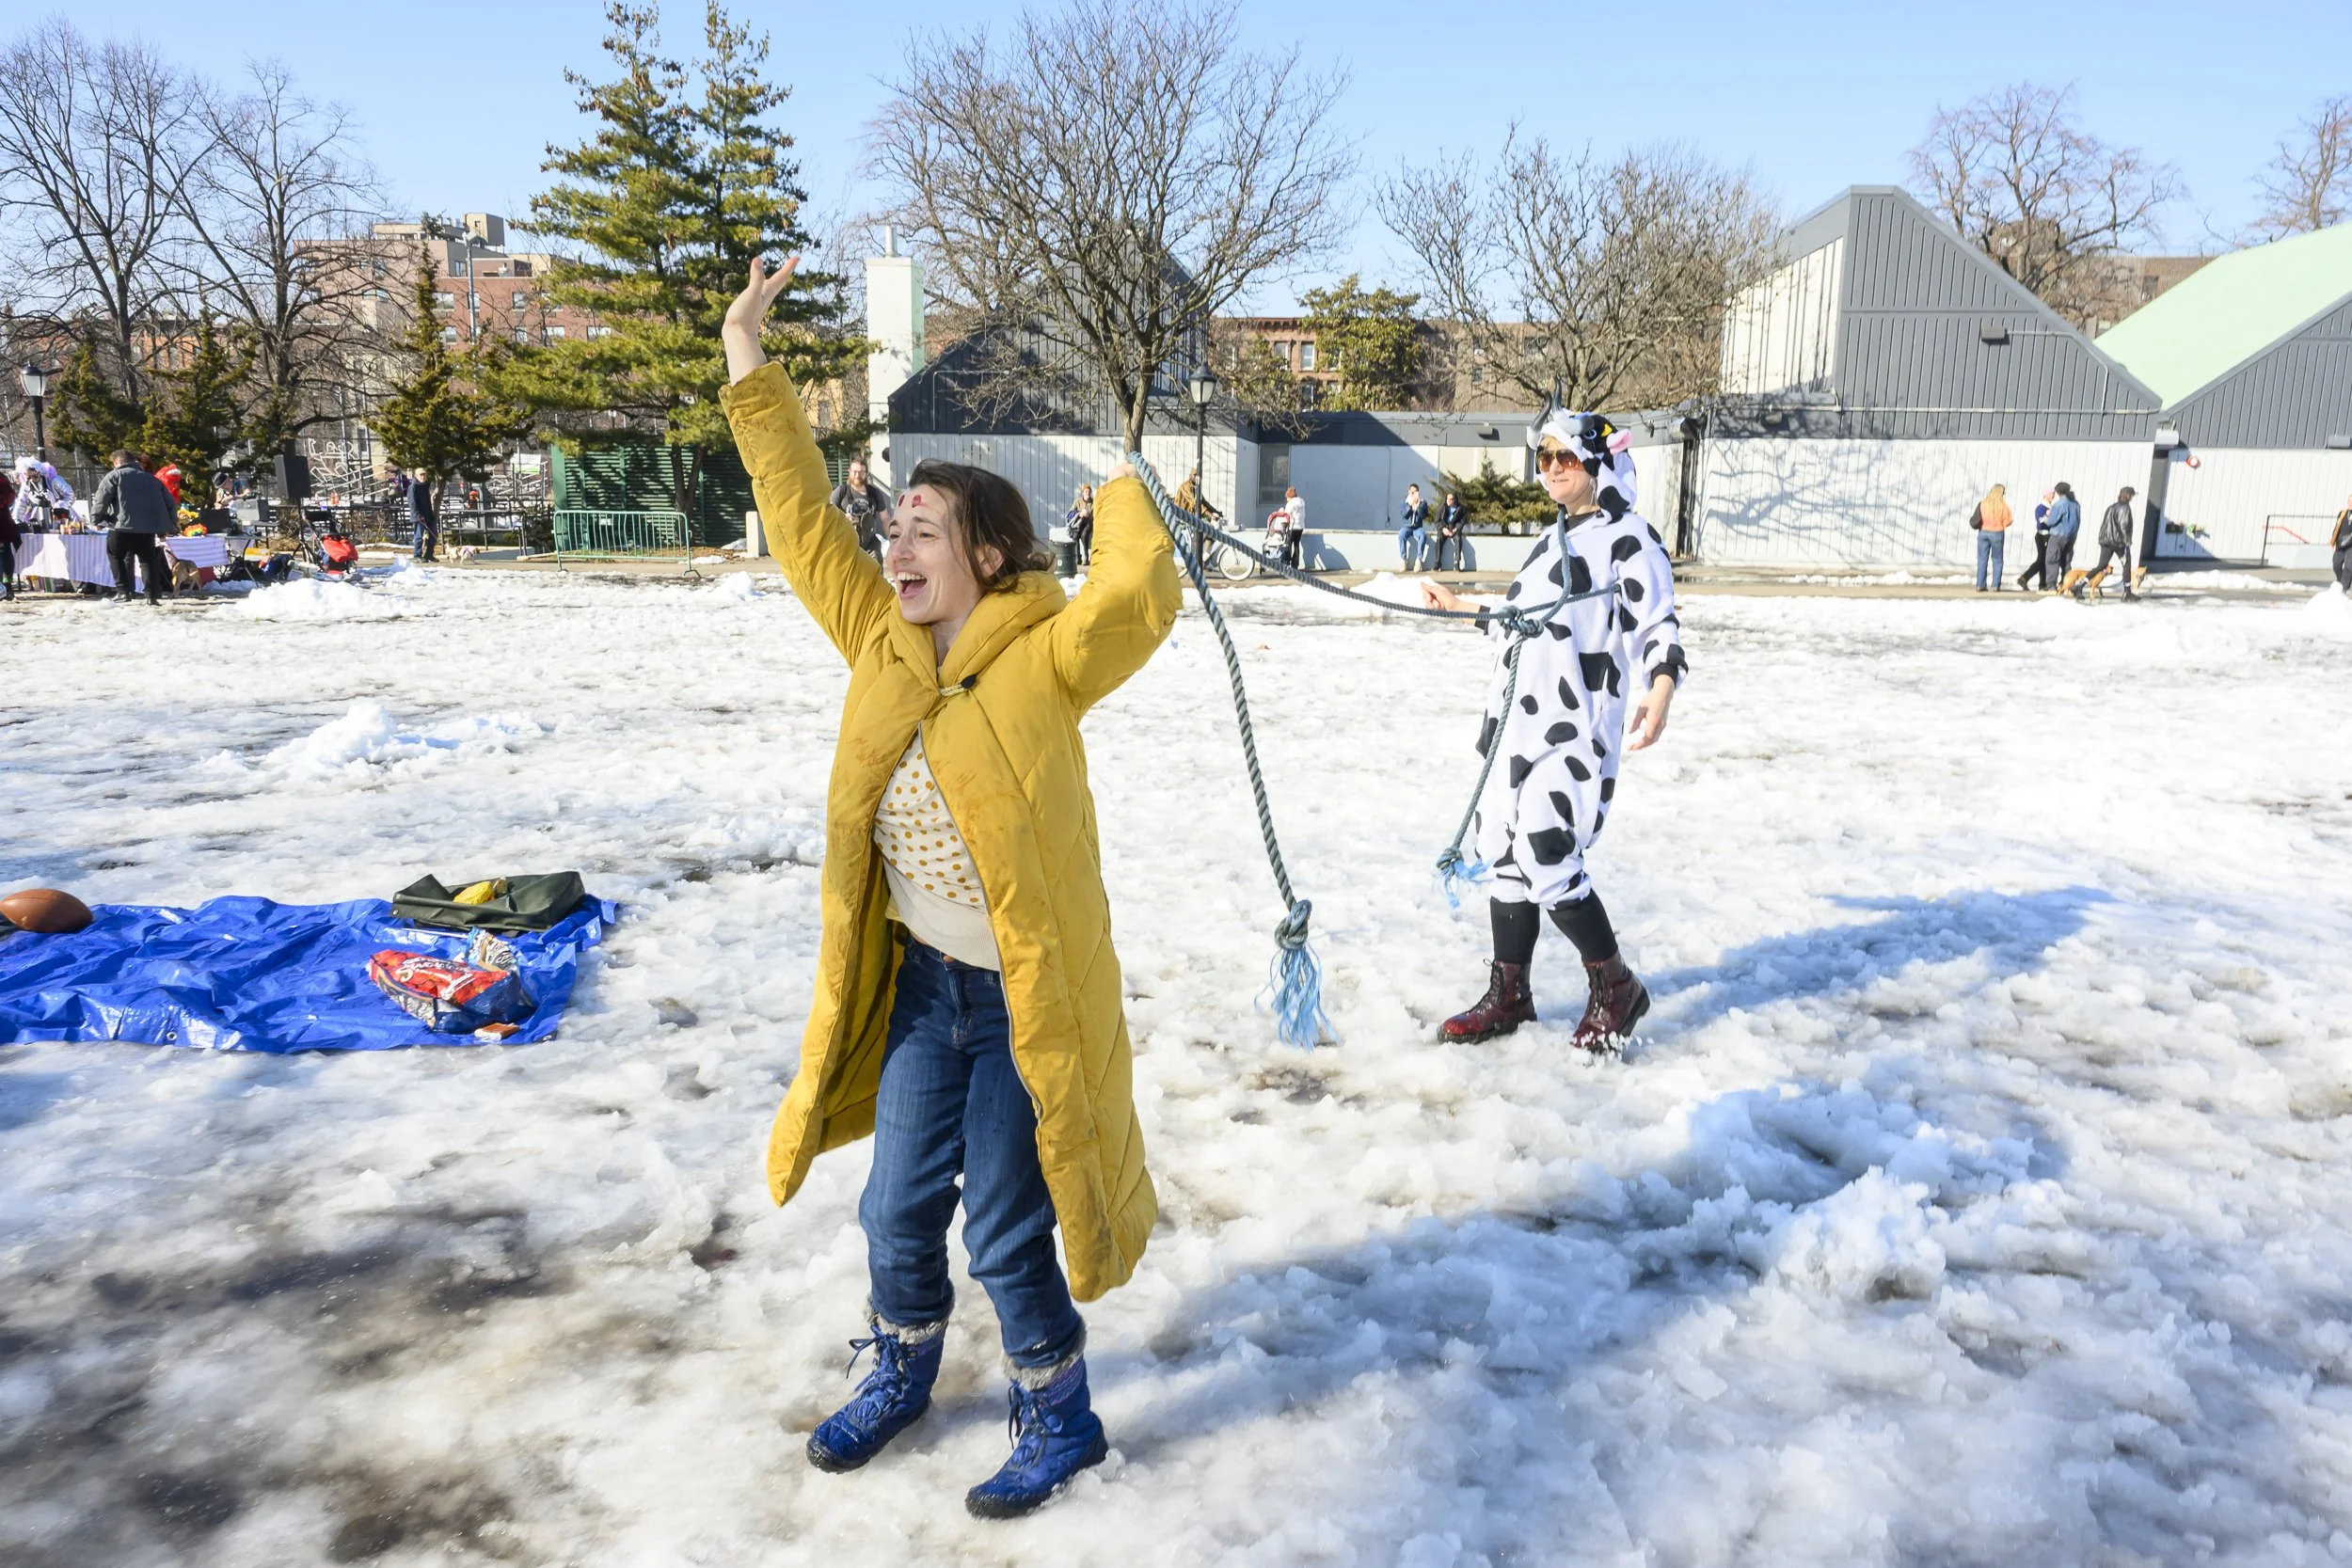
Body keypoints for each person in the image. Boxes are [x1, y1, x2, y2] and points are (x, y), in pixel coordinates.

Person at [719, 256, 1179, 1520]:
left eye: (925, 526)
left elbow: (1136, 599)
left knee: (1010, 1232)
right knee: (892, 1202)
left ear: (983, 553)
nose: (895, 539)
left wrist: (1129, 496)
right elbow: (808, 518)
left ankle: (1058, 1412)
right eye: (896, 524)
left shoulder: (1046, 657)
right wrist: (746, 356)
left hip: (1022, 1002)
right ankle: (905, 1364)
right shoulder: (877, 636)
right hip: (924, 988)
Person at [1417, 408, 1685, 1053]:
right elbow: (1517, 617)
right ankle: (1510, 993)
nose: (1554, 469)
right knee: (1505, 854)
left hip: (1573, 730)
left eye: (1566, 456)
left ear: (1596, 459)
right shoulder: (1549, 544)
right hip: (1515, 726)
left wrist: (1661, 689)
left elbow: (1659, 626)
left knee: (1545, 847)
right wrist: (1459, 607)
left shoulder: (1630, 537)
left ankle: (1616, 987)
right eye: (1545, 459)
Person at [89, 449, 177, 605]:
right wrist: (169, 527)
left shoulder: (113, 476)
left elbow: (101, 500)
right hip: (146, 530)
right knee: (147, 560)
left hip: (120, 527)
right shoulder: (152, 480)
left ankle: (124, 592)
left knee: (116, 556)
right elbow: (169, 504)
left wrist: (96, 520)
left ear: (117, 462)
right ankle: (151, 595)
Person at [2068, 487, 2138, 601]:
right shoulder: (2125, 508)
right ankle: (2127, 593)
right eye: (2132, 496)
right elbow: (2124, 525)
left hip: (2106, 541)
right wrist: (2127, 542)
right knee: (2126, 564)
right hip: (2118, 542)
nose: (2132, 498)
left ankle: (2079, 586)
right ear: (2129, 496)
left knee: (2101, 565)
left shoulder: (2111, 507)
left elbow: (2106, 524)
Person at [830, 455, 894, 562]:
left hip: (870, 545)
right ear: (849, 472)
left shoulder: (874, 493)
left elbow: (885, 519)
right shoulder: (841, 491)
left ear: (867, 474)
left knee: (875, 574)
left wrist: (894, 542)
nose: (857, 475)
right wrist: (842, 518)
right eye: (854, 471)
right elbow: (828, 514)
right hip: (845, 544)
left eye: (861, 472)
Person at [1971, 483, 2011, 591]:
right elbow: (2008, 521)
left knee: (1982, 559)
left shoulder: (1983, 503)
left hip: (1983, 532)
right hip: (1997, 533)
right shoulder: (2003, 505)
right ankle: (1995, 585)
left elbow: (1976, 518)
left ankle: (1980, 585)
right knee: (1997, 560)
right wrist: (2000, 524)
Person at [2042, 482, 2081, 588]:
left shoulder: (2059, 505)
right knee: (2067, 560)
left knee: (2052, 559)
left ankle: (2051, 585)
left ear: (2058, 492)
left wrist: (2046, 519)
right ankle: (2067, 583)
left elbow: (2051, 522)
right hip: (2072, 535)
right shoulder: (2076, 504)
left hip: (2058, 535)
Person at [2016, 488, 2055, 591]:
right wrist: (2049, 521)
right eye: (2051, 493)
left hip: (2048, 535)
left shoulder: (2051, 507)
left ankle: (2042, 584)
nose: (2053, 495)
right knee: (2042, 560)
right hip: (2042, 536)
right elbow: (2040, 522)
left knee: (2043, 560)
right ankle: (2025, 578)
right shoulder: (2041, 508)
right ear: (2045, 495)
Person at [1432, 489, 1469, 572]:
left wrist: (1456, 528)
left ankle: (1457, 562)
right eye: (1448, 499)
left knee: (1458, 539)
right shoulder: (1441, 507)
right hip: (1444, 528)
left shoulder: (1460, 508)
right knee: (1439, 539)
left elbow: (1462, 521)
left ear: (1455, 500)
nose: (1449, 501)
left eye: (1451, 499)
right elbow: (1437, 521)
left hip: (1454, 528)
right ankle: (1437, 562)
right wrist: (1443, 529)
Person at [1396, 483, 1430, 572]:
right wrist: (1410, 506)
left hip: (1417, 527)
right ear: (1408, 492)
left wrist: (1418, 506)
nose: (1413, 494)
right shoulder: (1404, 502)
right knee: (1401, 534)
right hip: (1407, 526)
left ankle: (1419, 560)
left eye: (1415, 492)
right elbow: (1404, 515)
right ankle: (1403, 559)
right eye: (1412, 492)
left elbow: (1423, 516)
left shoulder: (1423, 502)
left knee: (1422, 535)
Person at [407, 467, 437, 562]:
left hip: (428, 515)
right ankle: (417, 555)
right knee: (419, 537)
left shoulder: (425, 486)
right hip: (419, 516)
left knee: (434, 535)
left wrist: (431, 514)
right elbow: (412, 503)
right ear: (416, 476)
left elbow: (428, 502)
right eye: (421, 475)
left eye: (424, 474)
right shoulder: (413, 487)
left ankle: (429, 554)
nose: (423, 476)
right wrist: (418, 515)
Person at [1065, 483, 1095, 568]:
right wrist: (1079, 514)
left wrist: (1088, 515)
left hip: (1088, 523)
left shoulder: (1093, 503)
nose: (1088, 493)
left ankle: (1086, 556)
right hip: (1078, 524)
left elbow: (1096, 515)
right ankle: (1078, 558)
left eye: (1089, 491)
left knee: (1084, 535)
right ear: (1083, 492)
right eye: (1086, 491)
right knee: (1075, 536)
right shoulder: (1077, 501)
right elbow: (1070, 513)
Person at [0, 467, 18, 600]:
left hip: (2, 522)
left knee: (4, 552)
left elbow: (11, 495)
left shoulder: (1, 478)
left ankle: (7, 586)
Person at [1280, 485, 1306, 568]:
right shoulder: (1302, 502)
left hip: (1292, 526)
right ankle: (1295, 564)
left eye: (1287, 497)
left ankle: (1287, 563)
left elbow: (1287, 515)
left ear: (1290, 496)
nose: (1286, 499)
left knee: (1288, 545)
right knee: (1296, 545)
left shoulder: (1290, 504)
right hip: (1300, 527)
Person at [2331, 494, 2352, 593]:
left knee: (2349, 566)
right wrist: (2333, 542)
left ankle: (2344, 587)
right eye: (2349, 501)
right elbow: (2337, 528)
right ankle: (2340, 583)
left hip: (2351, 546)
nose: (2350, 504)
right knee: (2336, 564)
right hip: (2340, 543)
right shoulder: (2342, 513)